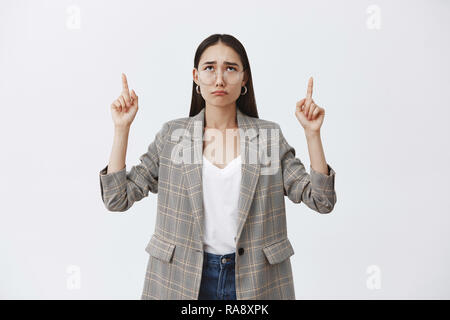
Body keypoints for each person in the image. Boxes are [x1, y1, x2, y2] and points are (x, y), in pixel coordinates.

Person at [99, 34, 337, 300]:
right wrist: (121, 129)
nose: (219, 79)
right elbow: (116, 199)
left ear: (244, 77)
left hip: (256, 281)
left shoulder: (267, 138)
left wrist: (312, 134)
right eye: (209, 68)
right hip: (182, 279)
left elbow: (321, 200)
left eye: (230, 68)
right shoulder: (172, 136)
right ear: (196, 76)